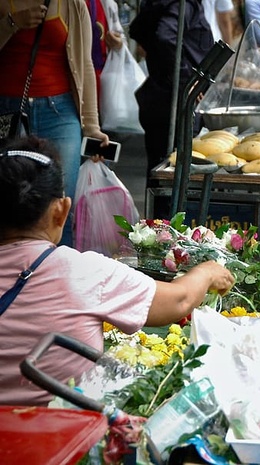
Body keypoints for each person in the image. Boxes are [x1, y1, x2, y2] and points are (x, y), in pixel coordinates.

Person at [0, 136, 235, 406]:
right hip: (64, 436)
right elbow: (178, 300)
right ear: (61, 211)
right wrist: (206, 273)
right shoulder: (84, 271)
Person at [0, 0, 111, 248]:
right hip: (7, 111)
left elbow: (85, 65)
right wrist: (11, 24)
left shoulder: (72, 4)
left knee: (61, 203)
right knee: (8, 202)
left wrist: (92, 126)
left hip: (59, 112)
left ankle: (60, 273)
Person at [129, 0, 214, 176]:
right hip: (175, 101)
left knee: (160, 171)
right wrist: (185, 81)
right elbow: (165, 36)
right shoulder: (183, 5)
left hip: (160, 97)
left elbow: (138, 30)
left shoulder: (165, 4)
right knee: (172, 172)